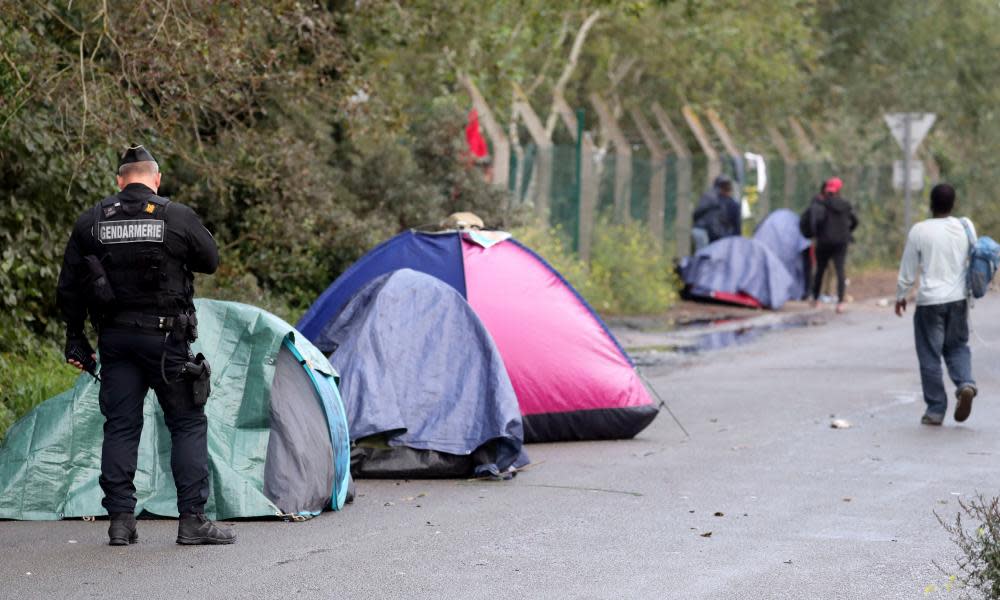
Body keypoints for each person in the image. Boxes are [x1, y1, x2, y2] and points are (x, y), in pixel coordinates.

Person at [56, 145, 235, 545]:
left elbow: (68, 288)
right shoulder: (177, 215)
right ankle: (192, 521)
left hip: (116, 341)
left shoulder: (92, 222)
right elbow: (210, 260)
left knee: (121, 427)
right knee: (186, 423)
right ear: (156, 179)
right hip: (166, 341)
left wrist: (75, 338)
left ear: (120, 181)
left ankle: (121, 521)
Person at [895, 183, 978, 426]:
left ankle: (935, 410)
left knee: (930, 354)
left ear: (931, 204)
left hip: (930, 301)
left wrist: (901, 295)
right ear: (953, 204)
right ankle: (965, 383)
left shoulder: (920, 230)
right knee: (957, 346)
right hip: (958, 299)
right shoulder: (964, 226)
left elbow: (908, 271)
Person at [808, 177, 857, 313]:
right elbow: (854, 221)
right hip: (841, 242)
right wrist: (847, 231)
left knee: (820, 270)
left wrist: (816, 234)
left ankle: (816, 299)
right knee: (840, 270)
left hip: (824, 242)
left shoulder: (820, 204)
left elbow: (814, 222)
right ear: (839, 190)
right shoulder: (846, 204)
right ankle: (840, 302)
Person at [692, 174, 741, 251]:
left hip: (699, 230)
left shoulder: (707, 196)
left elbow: (695, 214)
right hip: (710, 233)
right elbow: (735, 227)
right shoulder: (726, 202)